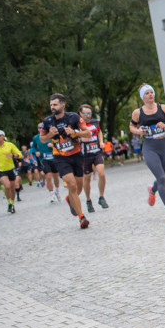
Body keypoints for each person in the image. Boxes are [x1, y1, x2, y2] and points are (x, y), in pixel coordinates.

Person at [40, 93, 92, 229]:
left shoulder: (73, 117)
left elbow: (88, 133)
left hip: (76, 155)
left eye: (55, 104)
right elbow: (42, 139)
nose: (52, 107)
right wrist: (50, 135)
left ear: (63, 105)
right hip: (60, 157)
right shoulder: (47, 121)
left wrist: (74, 133)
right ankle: (82, 217)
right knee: (71, 184)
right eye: (51, 105)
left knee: (78, 187)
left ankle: (70, 199)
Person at [130, 85, 165, 220]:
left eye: (151, 92)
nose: (150, 95)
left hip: (162, 146)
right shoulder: (138, 112)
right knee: (161, 178)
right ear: (143, 97)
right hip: (149, 147)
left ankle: (152, 190)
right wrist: (138, 131)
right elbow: (131, 126)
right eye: (147, 93)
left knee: (163, 177)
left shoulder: (163, 108)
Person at [79, 104, 109, 212]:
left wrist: (101, 142)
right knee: (87, 178)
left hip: (96, 152)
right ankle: (88, 200)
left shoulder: (95, 122)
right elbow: (73, 137)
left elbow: (99, 131)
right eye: (85, 113)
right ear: (80, 114)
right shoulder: (77, 124)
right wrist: (81, 139)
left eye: (89, 113)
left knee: (101, 173)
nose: (88, 116)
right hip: (85, 155)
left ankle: (101, 197)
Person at [0, 130, 22, 214]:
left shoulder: (10, 145)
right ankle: (9, 202)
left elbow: (20, 155)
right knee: (7, 186)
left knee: (12, 188)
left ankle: (12, 204)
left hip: (11, 169)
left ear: (3, 136)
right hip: (0, 170)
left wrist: (13, 155)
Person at [32, 125, 59, 202]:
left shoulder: (52, 135)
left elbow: (60, 144)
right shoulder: (36, 138)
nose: (40, 129)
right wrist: (35, 151)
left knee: (56, 176)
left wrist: (53, 145)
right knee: (48, 176)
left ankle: (57, 191)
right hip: (44, 159)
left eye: (42, 127)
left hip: (54, 158)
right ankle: (52, 195)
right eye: (39, 128)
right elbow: (33, 147)